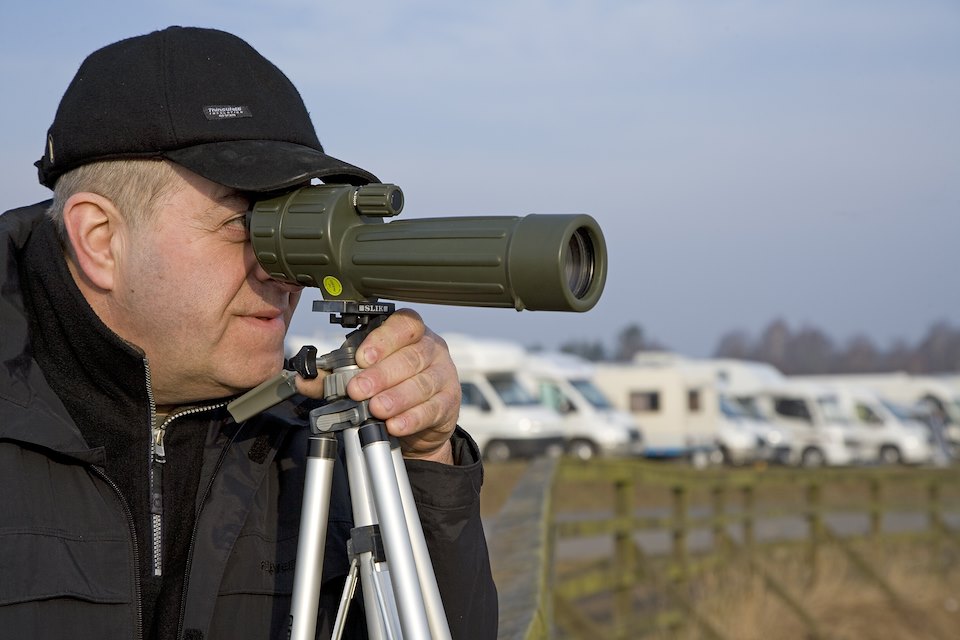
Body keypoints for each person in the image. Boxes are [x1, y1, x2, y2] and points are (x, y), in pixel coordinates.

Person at [0, 26, 497, 639]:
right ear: (102, 240)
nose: (284, 272)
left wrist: (426, 462)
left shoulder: (316, 433)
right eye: (247, 226)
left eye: (293, 230)